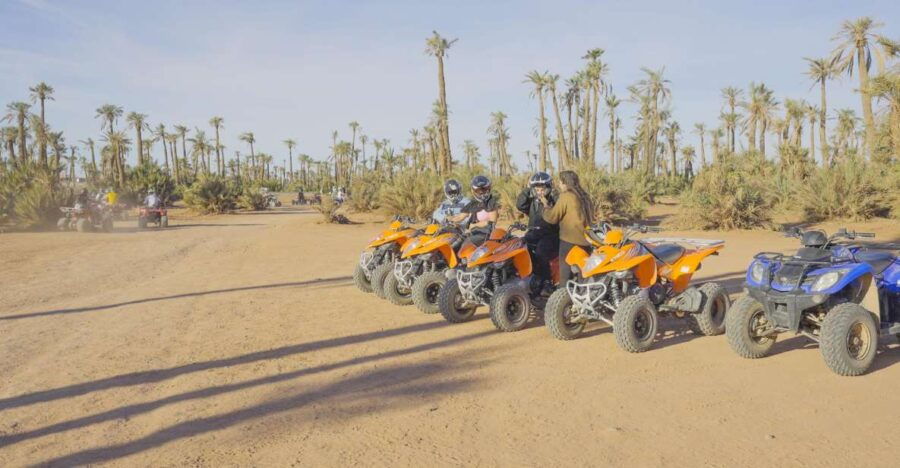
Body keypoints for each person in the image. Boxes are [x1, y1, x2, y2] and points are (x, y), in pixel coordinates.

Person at [543, 170, 594, 286]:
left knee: (565, 275)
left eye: (560, 183)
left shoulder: (566, 196)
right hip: (586, 242)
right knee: (583, 274)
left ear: (565, 183)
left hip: (569, 242)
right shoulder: (585, 196)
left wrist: (546, 207)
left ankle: (562, 300)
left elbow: (552, 217)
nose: (559, 186)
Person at [516, 172, 559, 290]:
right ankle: (524, 278)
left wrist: (549, 198)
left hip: (550, 234)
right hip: (533, 232)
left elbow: (557, 209)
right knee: (518, 246)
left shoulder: (553, 200)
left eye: (542, 188)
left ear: (548, 188)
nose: (539, 191)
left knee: (541, 252)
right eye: (537, 188)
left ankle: (546, 281)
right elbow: (520, 205)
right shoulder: (532, 201)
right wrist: (527, 188)